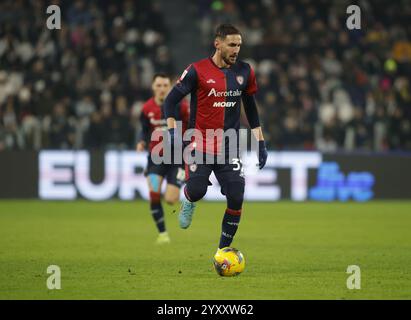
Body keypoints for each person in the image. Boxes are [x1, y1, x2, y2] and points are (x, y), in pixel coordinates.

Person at [163, 24, 268, 252]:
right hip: (199, 143)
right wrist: (172, 131)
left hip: (229, 146)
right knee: (198, 190)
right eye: (232, 45)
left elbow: (250, 107)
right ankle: (189, 200)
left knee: (237, 195)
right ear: (217, 44)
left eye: (239, 45)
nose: (236, 50)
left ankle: (222, 252)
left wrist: (260, 141)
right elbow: (170, 102)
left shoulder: (244, 72)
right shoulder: (196, 71)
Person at [137, 73, 189, 244]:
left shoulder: (181, 107)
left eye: (165, 85)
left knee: (171, 199)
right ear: (153, 87)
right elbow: (144, 129)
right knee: (153, 194)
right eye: (158, 85)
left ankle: (187, 199)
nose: (161, 89)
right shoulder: (146, 108)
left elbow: (191, 126)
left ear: (170, 87)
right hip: (156, 158)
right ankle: (163, 234)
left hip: (177, 158)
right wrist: (142, 141)